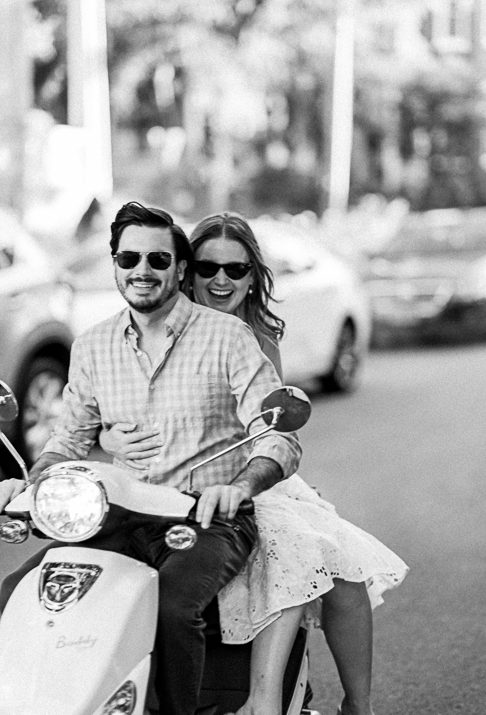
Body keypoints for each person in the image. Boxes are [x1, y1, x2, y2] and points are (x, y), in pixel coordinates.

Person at [0, 201, 302, 715]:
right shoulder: (93, 345)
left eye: (158, 260)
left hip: (206, 516)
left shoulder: (228, 336)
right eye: (129, 259)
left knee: (173, 606)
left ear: (180, 270)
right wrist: (27, 484)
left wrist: (240, 486)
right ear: (116, 263)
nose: (142, 270)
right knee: (16, 591)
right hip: (121, 511)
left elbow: (276, 436)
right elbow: (67, 440)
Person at [101, 212, 407, 715]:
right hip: (175, 484)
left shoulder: (257, 334)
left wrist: (272, 473)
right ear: (185, 271)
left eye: (236, 270)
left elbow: (270, 427)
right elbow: (117, 409)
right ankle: (260, 699)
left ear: (252, 276)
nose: (221, 280)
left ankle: (356, 707)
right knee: (293, 548)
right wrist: (112, 433)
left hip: (253, 475)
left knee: (346, 571)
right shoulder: (154, 325)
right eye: (208, 268)